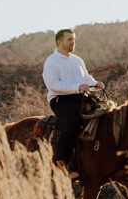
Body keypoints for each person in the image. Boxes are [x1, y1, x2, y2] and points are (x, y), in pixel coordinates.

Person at [43, 29, 104, 178]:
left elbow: (86, 77)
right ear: (59, 42)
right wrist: (76, 87)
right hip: (60, 99)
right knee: (73, 123)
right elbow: (53, 85)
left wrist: (96, 83)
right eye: (69, 39)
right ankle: (61, 163)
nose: (72, 42)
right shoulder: (52, 61)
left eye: (73, 39)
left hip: (80, 96)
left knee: (105, 114)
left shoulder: (77, 60)